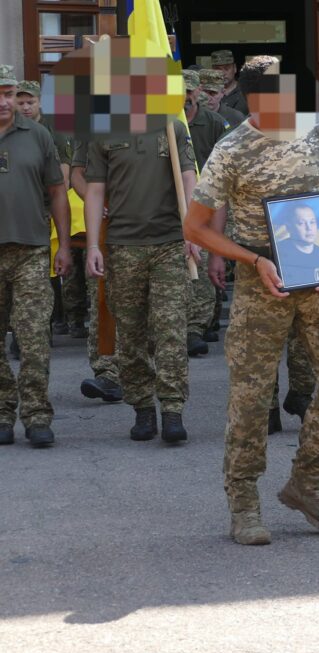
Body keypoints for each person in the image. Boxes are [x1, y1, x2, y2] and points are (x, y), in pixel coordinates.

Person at [184, 55, 319, 546]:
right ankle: (243, 501)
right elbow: (194, 226)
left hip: (318, 275)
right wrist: (250, 259)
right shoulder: (233, 147)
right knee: (251, 396)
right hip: (260, 279)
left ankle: (307, 483)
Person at [84, 121, 196, 444]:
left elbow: (189, 177)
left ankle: (173, 409)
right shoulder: (103, 131)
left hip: (170, 242)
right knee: (130, 334)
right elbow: (95, 189)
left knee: (170, 327)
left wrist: (193, 229)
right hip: (123, 245)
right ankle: (143, 406)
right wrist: (94, 245)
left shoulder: (171, 126)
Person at [0, 65, 72, 447]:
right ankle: (1, 412)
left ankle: (37, 415)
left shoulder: (38, 135)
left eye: (9, 92)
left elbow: (57, 192)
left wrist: (63, 244)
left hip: (31, 250)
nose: (4, 101)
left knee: (33, 340)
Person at [15, 79, 87, 339]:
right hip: (20, 211)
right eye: (20, 102)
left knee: (52, 265)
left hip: (47, 207)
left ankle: (60, 317)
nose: (25, 107)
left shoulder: (53, 130)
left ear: (40, 103)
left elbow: (64, 175)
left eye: (29, 102)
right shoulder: (9, 130)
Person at [69, 142, 123, 404]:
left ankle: (138, 370)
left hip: (146, 222)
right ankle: (107, 373)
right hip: (106, 223)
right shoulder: (93, 122)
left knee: (142, 303)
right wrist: (94, 200)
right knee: (102, 298)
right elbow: (77, 173)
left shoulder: (157, 116)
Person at [183, 69, 231, 357]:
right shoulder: (165, 123)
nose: (185, 98)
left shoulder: (214, 123)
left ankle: (199, 326)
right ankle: (189, 327)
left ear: (197, 91)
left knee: (204, 263)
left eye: (189, 92)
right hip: (174, 201)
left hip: (209, 201)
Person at [275, 204, 319, 286]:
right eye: (301, 223)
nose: (309, 228)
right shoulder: (278, 254)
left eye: (312, 222)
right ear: (288, 227)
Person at [210, 49, 248, 116]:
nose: (223, 73)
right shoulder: (207, 93)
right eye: (218, 69)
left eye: (226, 68)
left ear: (235, 68)